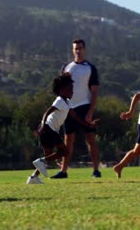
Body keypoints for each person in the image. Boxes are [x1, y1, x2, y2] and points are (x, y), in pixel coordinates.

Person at [27, 73, 98, 184]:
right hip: (48, 129)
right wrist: (43, 124)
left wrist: (89, 125)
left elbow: (75, 117)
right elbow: (47, 112)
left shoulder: (68, 102)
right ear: (61, 90)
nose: (72, 91)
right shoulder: (60, 100)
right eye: (70, 89)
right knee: (65, 151)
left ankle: (33, 178)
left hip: (48, 130)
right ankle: (40, 162)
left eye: (72, 89)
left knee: (48, 157)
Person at [51, 38, 101, 179]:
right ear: (73, 50)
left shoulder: (90, 68)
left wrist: (91, 111)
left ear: (84, 49)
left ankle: (96, 170)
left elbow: (95, 91)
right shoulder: (66, 68)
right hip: (69, 109)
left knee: (90, 139)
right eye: (76, 48)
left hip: (85, 107)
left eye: (80, 48)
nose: (78, 51)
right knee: (68, 141)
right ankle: (64, 171)